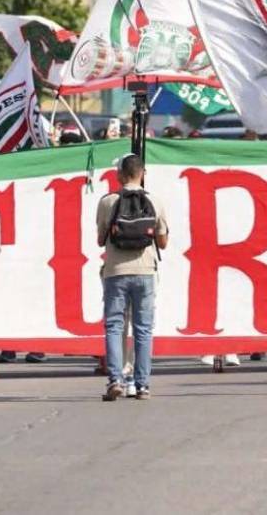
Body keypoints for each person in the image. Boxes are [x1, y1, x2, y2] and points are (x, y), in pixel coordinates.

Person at [98, 154, 168, 401]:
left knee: (115, 326)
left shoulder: (108, 201)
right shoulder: (154, 201)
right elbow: (163, 241)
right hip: (145, 270)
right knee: (143, 329)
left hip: (116, 271)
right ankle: (142, 385)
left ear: (119, 175)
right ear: (143, 173)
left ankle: (115, 379)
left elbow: (100, 240)